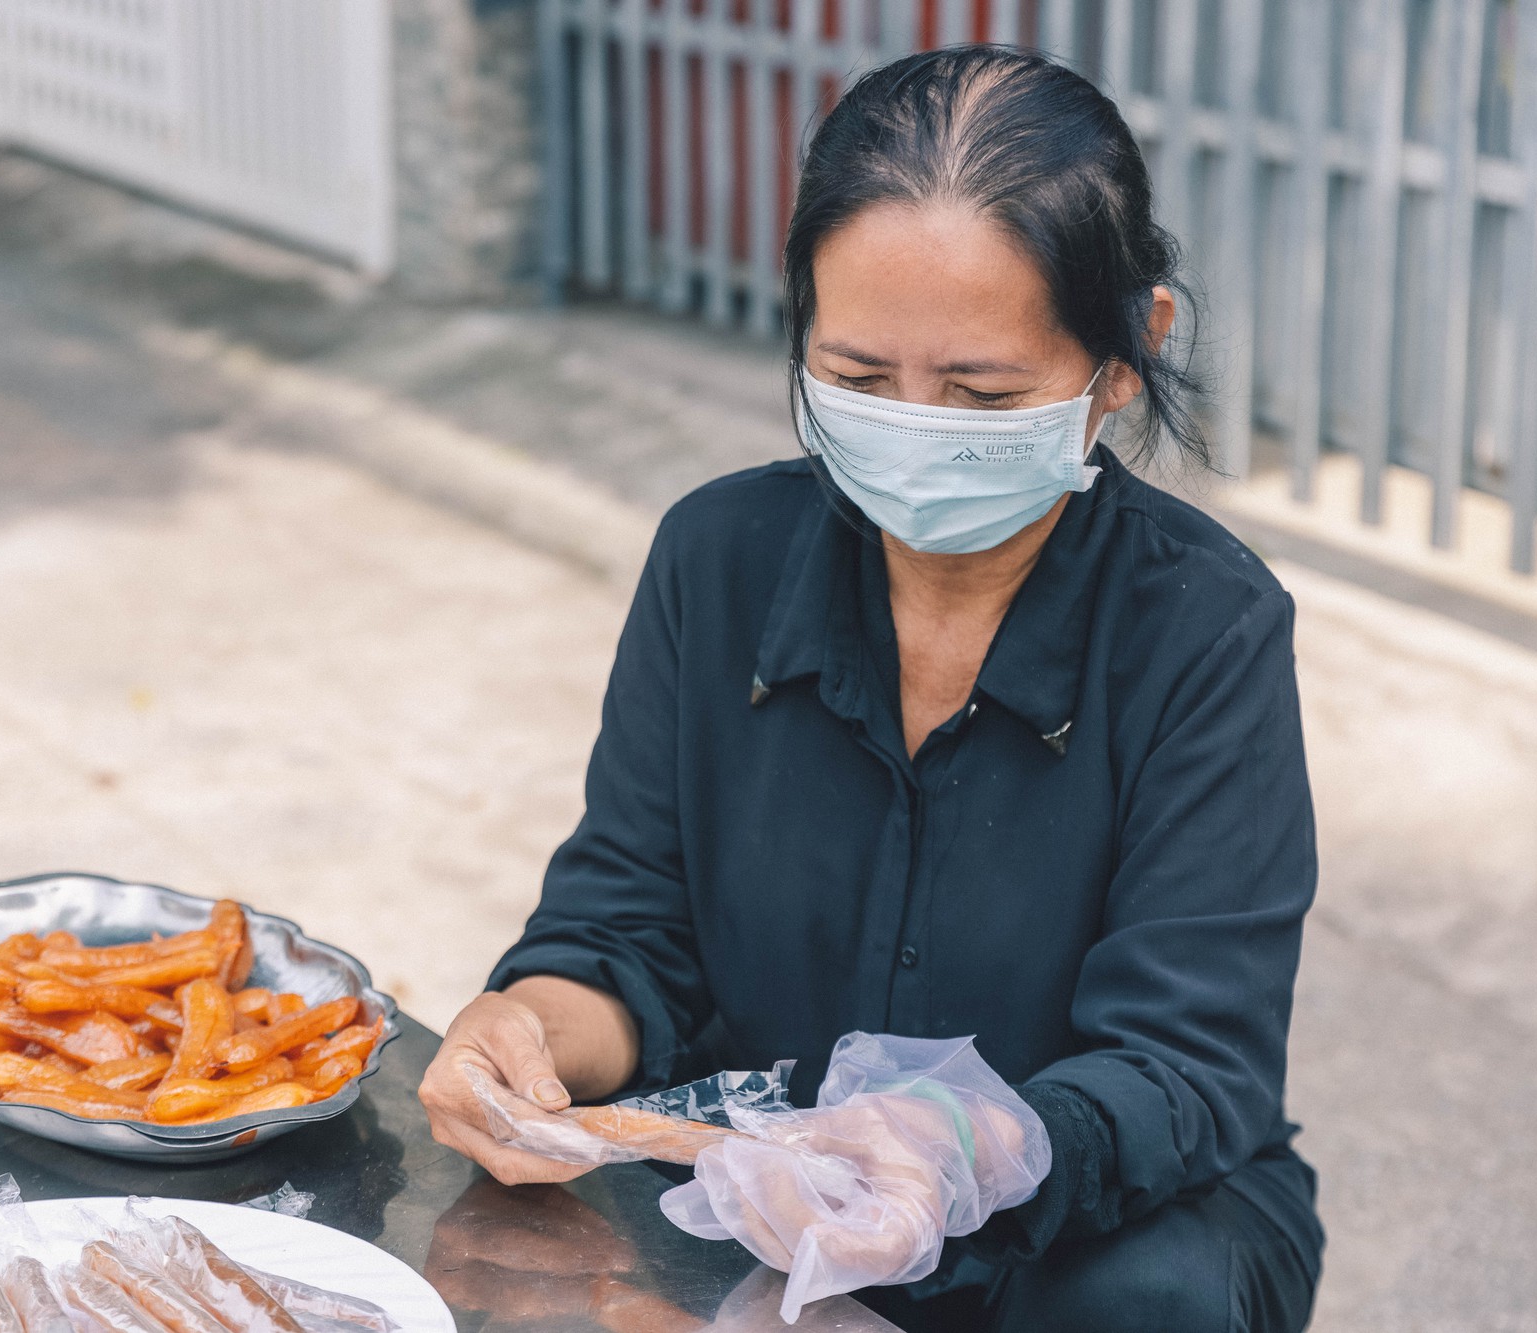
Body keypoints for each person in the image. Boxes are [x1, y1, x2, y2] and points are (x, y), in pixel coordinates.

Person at [418, 44, 1322, 1333]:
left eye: (980, 392)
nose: (913, 427)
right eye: (855, 378)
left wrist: (971, 1148)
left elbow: (1185, 1068)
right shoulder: (715, 558)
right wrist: (524, 1034)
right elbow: (625, 935)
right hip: (756, 1183)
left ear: (1128, 356)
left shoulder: (1205, 627)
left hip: (1087, 1220)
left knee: (1150, 1300)